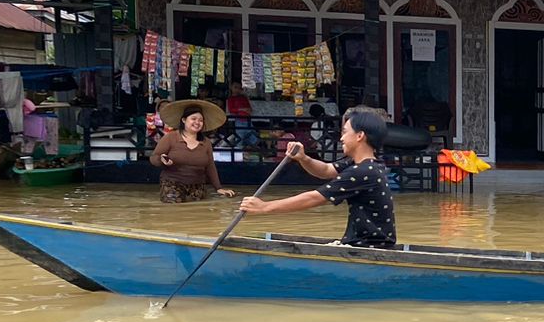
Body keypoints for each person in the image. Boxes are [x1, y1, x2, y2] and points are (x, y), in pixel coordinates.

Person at [238, 106, 397, 248]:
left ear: (360, 136)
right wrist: (303, 158)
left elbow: (314, 198)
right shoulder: (368, 165)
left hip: (369, 247)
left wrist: (264, 207)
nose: (341, 138)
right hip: (366, 243)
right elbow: (326, 170)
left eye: (345, 132)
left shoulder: (363, 171)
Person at [150, 101, 235, 204]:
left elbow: (210, 166)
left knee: (199, 210)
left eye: (201, 120)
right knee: (173, 209)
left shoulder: (206, 142)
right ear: (184, 120)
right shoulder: (170, 137)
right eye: (193, 119)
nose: (197, 122)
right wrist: (161, 159)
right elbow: (154, 158)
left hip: (198, 185)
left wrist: (218, 188)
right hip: (172, 184)